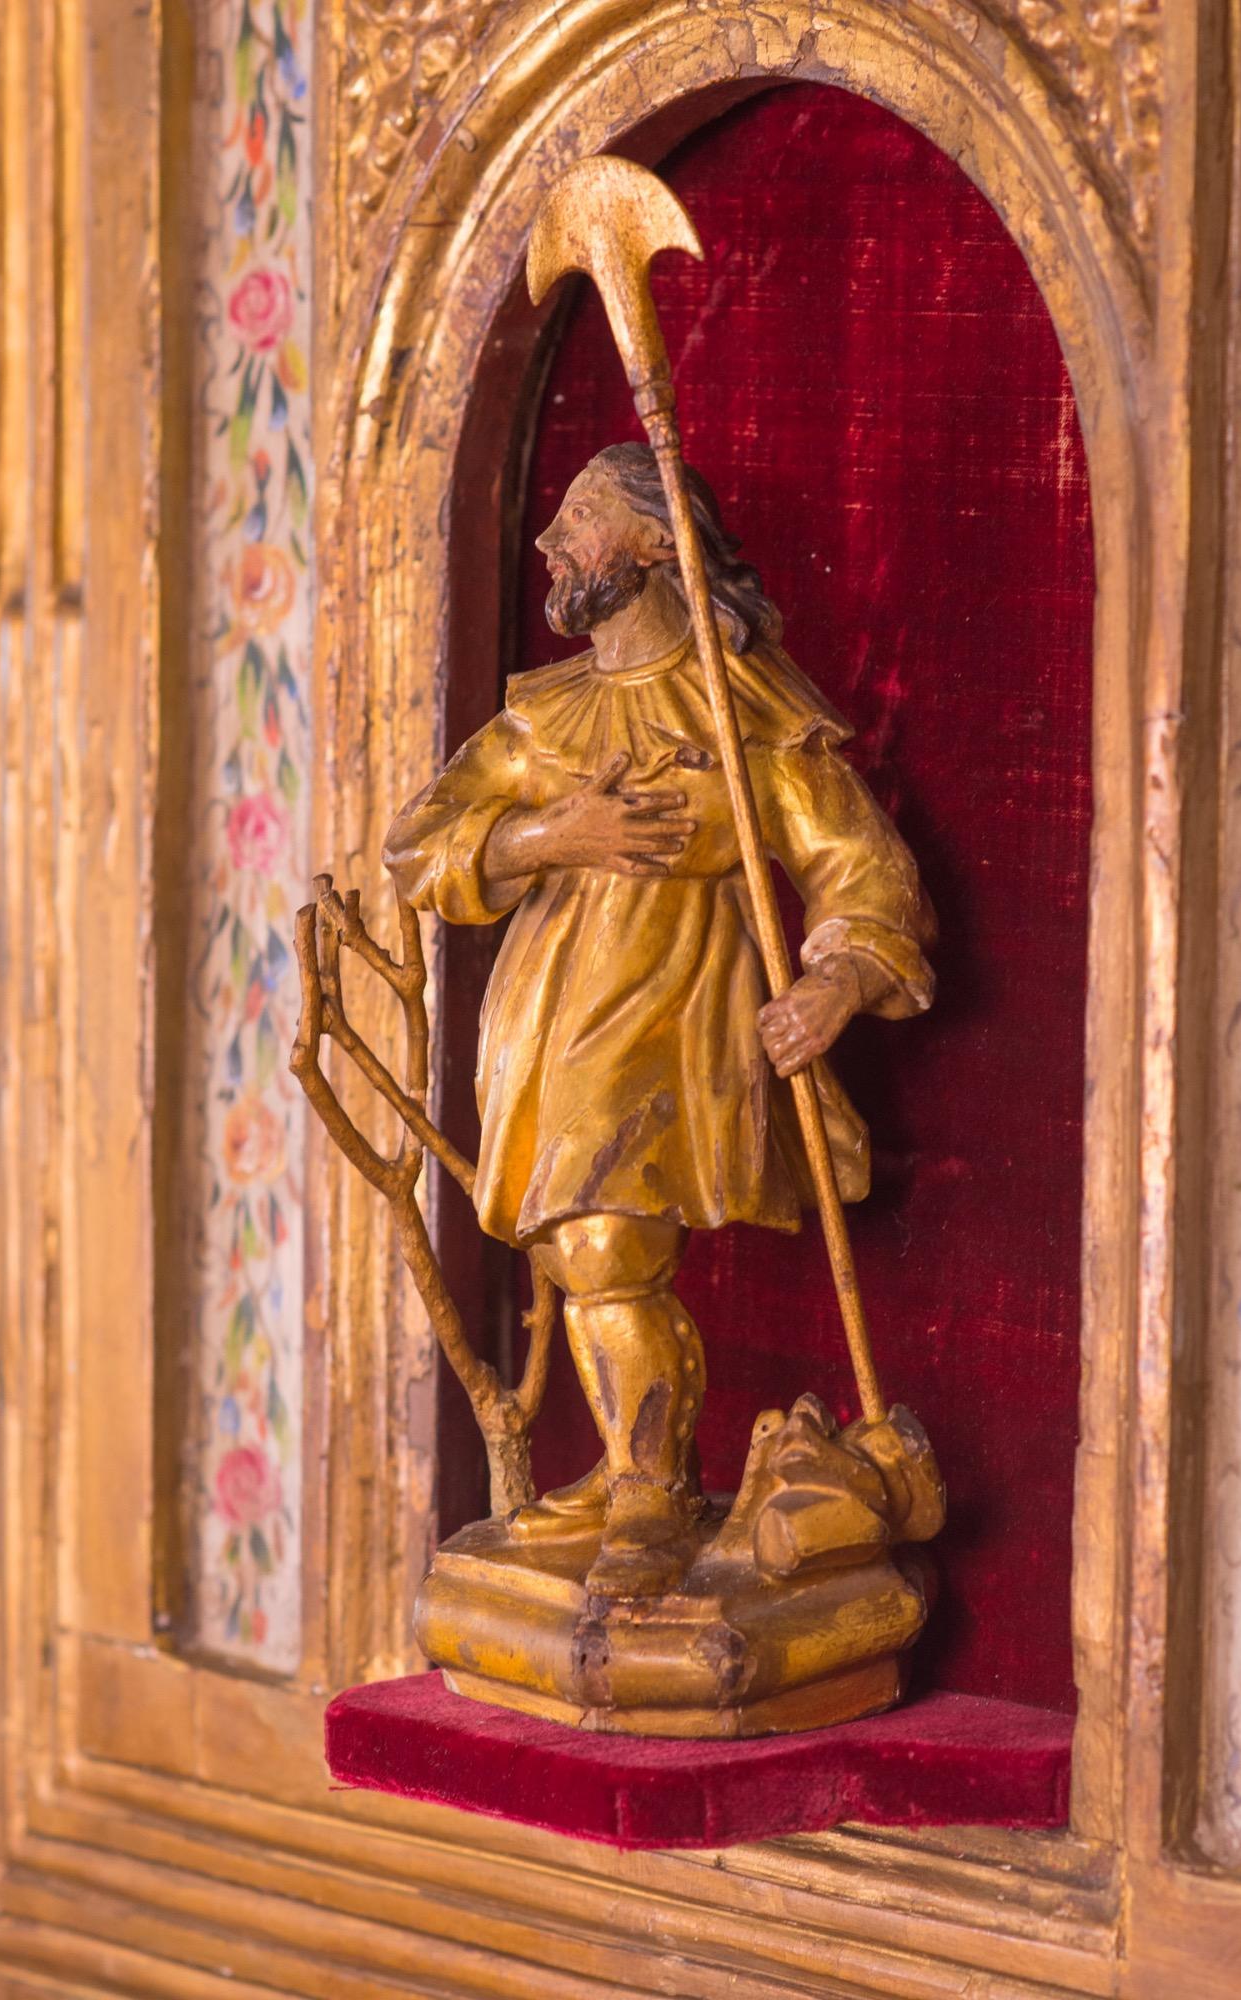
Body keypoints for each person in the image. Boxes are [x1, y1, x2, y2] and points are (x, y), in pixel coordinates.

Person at [384, 442, 935, 1598]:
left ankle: (643, 1493)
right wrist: (544, 838)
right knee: (580, 1257)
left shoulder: (742, 706)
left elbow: (860, 870)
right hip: (542, 1024)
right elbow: (416, 852)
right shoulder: (542, 720)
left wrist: (835, 980)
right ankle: (640, 1468)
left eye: (579, 519)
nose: (550, 543)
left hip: (678, 1021)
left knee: (604, 1246)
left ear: (648, 538)